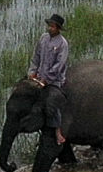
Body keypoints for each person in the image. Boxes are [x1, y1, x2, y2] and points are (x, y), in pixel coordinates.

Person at [27, 14, 70, 157]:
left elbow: (59, 65)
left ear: (58, 28)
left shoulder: (62, 44)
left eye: (52, 26)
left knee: (51, 102)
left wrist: (46, 80)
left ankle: (57, 131)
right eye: (49, 26)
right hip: (39, 76)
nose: (50, 28)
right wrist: (32, 72)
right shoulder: (43, 38)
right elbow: (36, 57)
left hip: (55, 80)